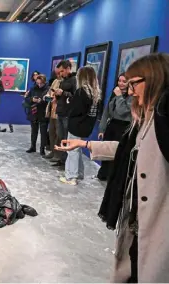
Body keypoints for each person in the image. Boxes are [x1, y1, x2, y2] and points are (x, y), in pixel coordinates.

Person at [55, 53, 169, 283]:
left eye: (134, 83)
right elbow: (127, 150)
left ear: (153, 79)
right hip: (135, 214)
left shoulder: (163, 120)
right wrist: (85, 144)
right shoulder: (144, 119)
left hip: (158, 220)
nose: (130, 89)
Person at [59, 66, 100, 185]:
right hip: (86, 125)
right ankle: (79, 174)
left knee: (72, 150)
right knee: (77, 149)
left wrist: (69, 104)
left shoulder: (82, 91)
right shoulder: (95, 92)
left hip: (77, 125)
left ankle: (71, 177)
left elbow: (75, 109)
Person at [96, 74, 132, 181]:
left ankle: (113, 177)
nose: (120, 83)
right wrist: (102, 129)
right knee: (106, 150)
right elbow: (107, 112)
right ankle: (103, 174)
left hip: (124, 127)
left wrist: (119, 96)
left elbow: (122, 111)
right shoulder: (115, 93)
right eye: (119, 81)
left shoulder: (132, 96)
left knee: (116, 153)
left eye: (124, 81)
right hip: (112, 125)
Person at [52, 60, 77, 167]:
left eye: (62, 71)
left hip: (68, 113)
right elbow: (60, 97)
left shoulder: (74, 80)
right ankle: (61, 160)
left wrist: (64, 93)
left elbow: (76, 97)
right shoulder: (63, 81)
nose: (61, 74)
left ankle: (67, 162)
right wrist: (57, 94)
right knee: (61, 137)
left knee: (67, 138)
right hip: (61, 111)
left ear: (68, 69)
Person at [23, 74, 50, 155]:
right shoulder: (33, 88)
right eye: (37, 83)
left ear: (44, 82)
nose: (39, 85)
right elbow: (27, 98)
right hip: (34, 112)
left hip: (43, 112)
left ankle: (42, 149)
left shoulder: (48, 89)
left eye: (41, 83)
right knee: (34, 131)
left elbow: (49, 99)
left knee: (43, 132)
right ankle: (33, 147)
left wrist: (41, 101)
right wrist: (32, 99)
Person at [43, 71, 63, 160]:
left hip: (59, 113)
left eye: (60, 72)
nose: (58, 75)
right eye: (57, 73)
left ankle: (57, 155)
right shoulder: (55, 81)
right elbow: (50, 91)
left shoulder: (65, 83)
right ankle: (52, 151)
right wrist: (47, 96)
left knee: (58, 134)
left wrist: (56, 98)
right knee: (51, 133)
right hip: (51, 111)